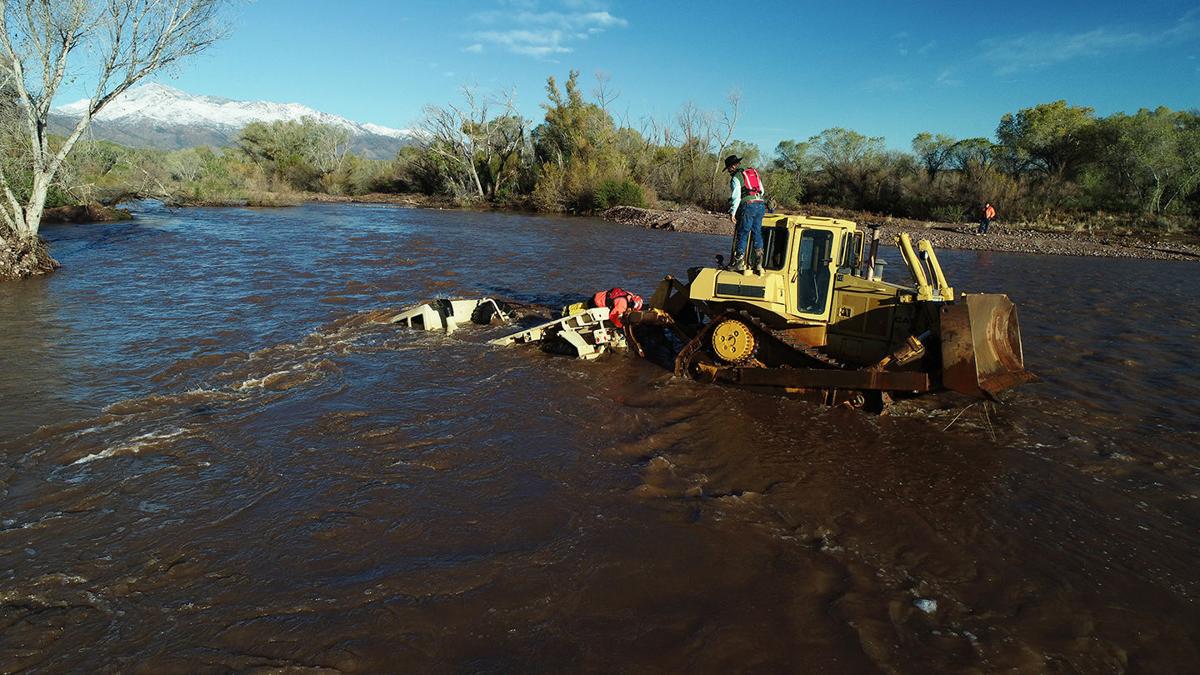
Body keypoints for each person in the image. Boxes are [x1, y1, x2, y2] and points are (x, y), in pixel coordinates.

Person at [725, 154, 767, 273]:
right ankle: (759, 264)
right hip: (760, 204)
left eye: (728, 168)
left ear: (733, 166)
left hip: (748, 206)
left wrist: (732, 213)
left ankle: (739, 263)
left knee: (743, 233)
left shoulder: (736, 178)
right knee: (757, 232)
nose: (728, 170)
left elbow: (736, 197)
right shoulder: (752, 173)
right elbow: (762, 191)